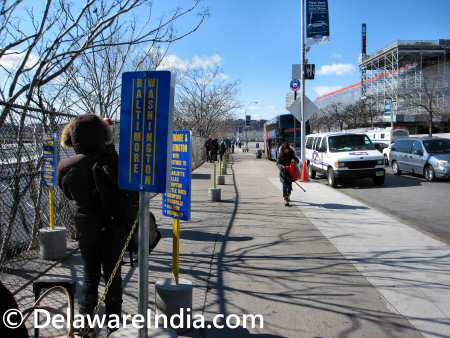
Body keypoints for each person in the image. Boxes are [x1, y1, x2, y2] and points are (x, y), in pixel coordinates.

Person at [58, 114, 127, 335]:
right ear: (101, 137)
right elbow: (123, 191)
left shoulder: (69, 167)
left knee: (90, 277)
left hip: (85, 228)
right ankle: (114, 326)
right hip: (112, 229)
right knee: (112, 278)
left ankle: (85, 323)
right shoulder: (111, 162)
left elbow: (69, 193)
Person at [277, 142, 299, 206]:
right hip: (283, 172)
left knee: (289, 186)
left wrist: (294, 161)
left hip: (290, 172)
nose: (286, 150)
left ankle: (288, 195)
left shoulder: (291, 153)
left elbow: (297, 160)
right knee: (284, 185)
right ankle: (285, 198)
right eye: (285, 149)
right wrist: (282, 167)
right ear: (283, 149)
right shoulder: (280, 155)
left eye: (287, 149)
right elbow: (278, 163)